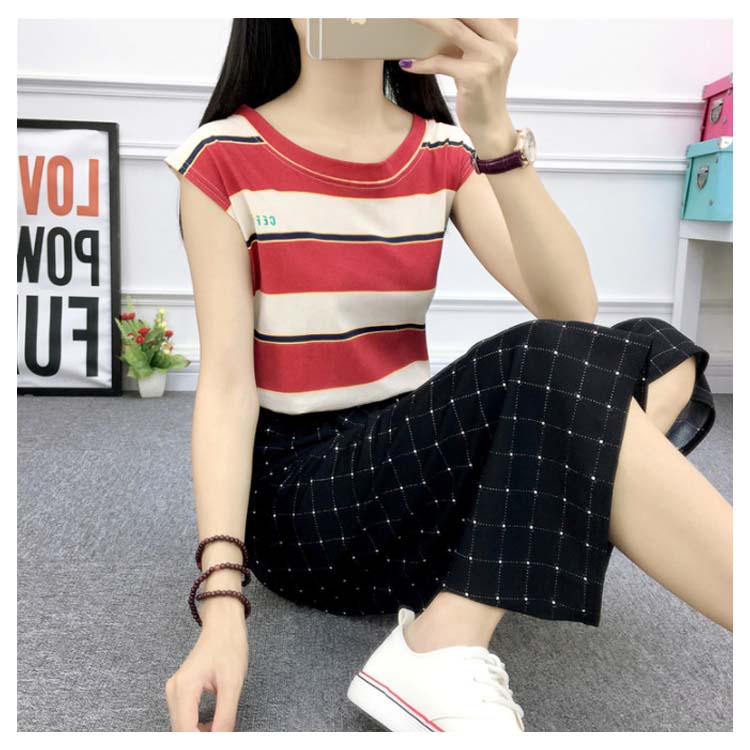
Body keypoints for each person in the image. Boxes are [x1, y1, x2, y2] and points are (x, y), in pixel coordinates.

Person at [162, 18, 731, 732]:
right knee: (549, 365)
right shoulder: (221, 157)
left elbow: (572, 312)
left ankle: (450, 626)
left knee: (655, 350)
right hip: (307, 505)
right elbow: (225, 389)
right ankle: (482, 582)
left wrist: (493, 132)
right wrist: (221, 604)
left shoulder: (442, 151)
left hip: (415, 483)